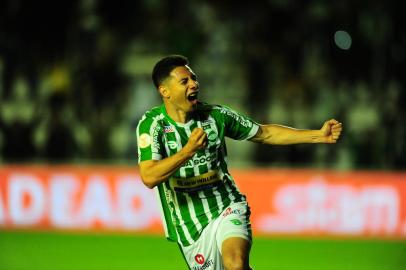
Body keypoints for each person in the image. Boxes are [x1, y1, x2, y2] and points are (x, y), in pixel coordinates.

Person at [136, 55, 342, 270]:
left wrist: (318, 135)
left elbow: (265, 133)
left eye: (194, 78)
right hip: (190, 228)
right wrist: (187, 151)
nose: (194, 84)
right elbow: (149, 177)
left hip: (227, 206)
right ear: (165, 91)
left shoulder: (215, 116)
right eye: (184, 81)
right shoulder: (152, 126)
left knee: (235, 264)